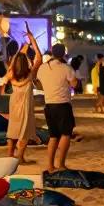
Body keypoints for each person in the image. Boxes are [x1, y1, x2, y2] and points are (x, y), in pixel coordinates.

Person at [36, 42, 80, 173]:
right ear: (64, 54)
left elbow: (39, 84)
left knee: (53, 135)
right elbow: (74, 85)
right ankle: (61, 164)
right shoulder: (67, 68)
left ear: (52, 53)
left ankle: (50, 165)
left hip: (49, 104)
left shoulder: (43, 68)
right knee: (66, 134)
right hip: (63, 104)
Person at [2, 23, 43, 165]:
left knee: (12, 129)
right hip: (25, 105)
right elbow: (39, 56)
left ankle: (10, 156)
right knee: (25, 130)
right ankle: (19, 156)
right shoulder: (30, 74)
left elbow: (13, 63)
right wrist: (32, 40)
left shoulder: (11, 74)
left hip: (14, 103)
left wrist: (20, 52)